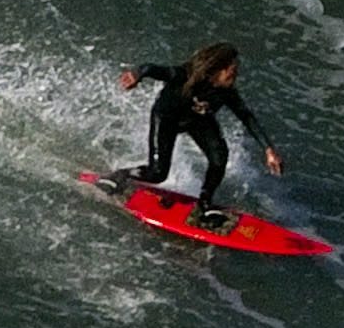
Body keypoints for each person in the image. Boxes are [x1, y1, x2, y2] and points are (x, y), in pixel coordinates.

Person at [117, 40, 284, 221]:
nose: (235, 73)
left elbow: (246, 116)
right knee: (157, 174)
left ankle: (204, 203)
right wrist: (136, 74)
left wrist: (268, 149)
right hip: (166, 119)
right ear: (217, 69)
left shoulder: (226, 92)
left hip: (197, 119)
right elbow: (152, 68)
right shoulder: (186, 76)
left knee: (219, 157)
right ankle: (120, 175)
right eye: (231, 69)